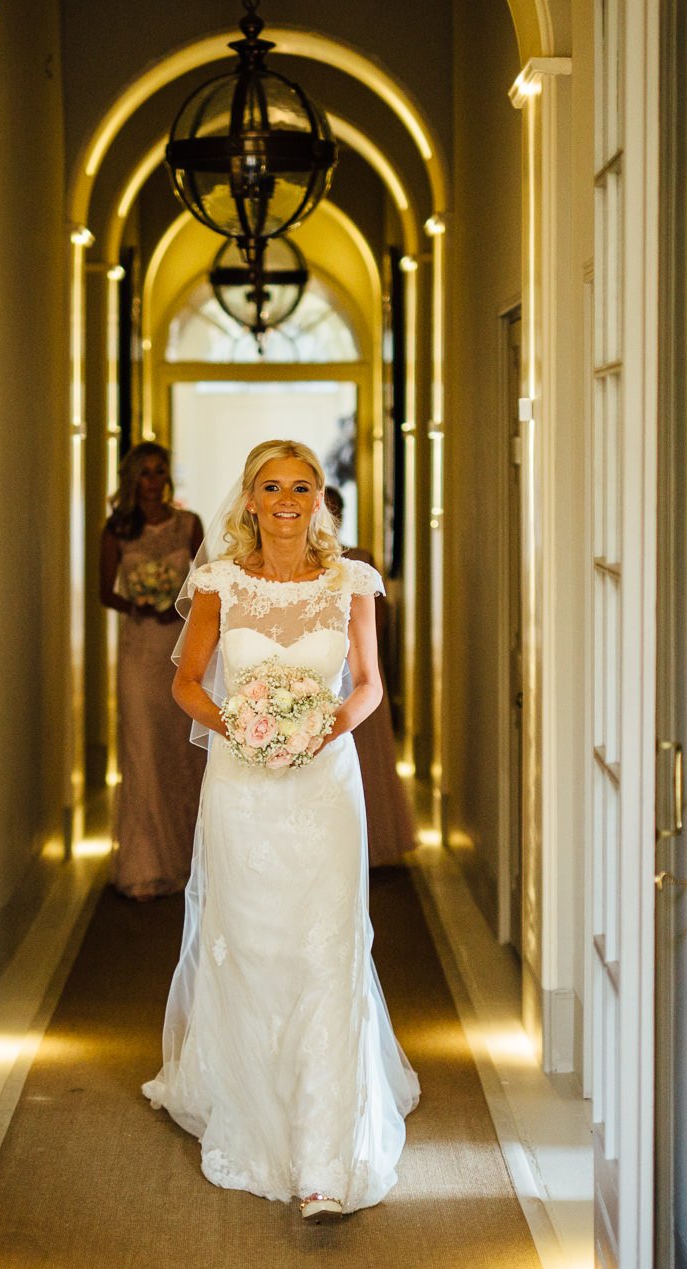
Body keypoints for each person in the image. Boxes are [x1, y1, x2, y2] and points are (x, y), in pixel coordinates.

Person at [143, 438, 420, 1222]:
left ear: (319, 497)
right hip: (243, 787)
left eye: (303, 486)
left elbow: (367, 685)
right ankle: (253, 1109)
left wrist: (325, 726)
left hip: (326, 788)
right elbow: (185, 682)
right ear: (252, 499)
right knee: (255, 946)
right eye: (273, 486)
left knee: (327, 949)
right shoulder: (219, 583)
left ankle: (325, 1158)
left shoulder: (352, 582)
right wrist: (242, 722)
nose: (289, 499)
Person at [99, 442, 207, 899]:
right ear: (132, 478)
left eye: (159, 471)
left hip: (181, 649)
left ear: (168, 477)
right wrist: (140, 604)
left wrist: (177, 610)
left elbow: (204, 586)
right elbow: (105, 592)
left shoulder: (189, 524)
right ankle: (144, 864)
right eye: (144, 473)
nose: (152, 480)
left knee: (182, 753)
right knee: (143, 751)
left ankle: (187, 860)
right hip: (140, 650)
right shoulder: (118, 528)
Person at [324, 486, 417, 867]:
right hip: (320, 672)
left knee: (365, 755)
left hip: (358, 666)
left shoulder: (359, 562)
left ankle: (372, 841)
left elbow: (375, 625)